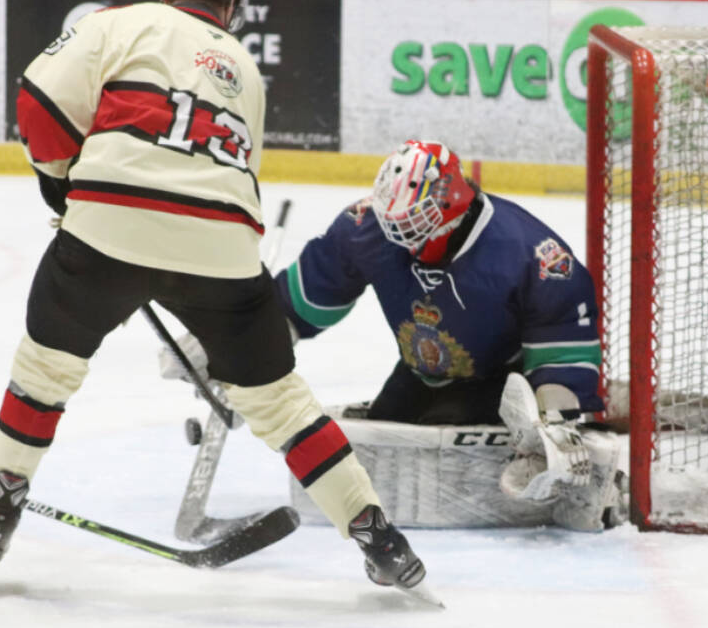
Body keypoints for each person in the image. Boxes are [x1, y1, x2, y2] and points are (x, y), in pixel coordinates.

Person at [0, 0, 428, 593]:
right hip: (223, 248)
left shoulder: (116, 23)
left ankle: (2, 500)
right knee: (281, 404)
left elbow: (39, 100)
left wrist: (61, 181)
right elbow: (235, 179)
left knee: (45, 369)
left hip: (108, 225)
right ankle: (377, 534)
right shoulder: (244, 68)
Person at [162, 139, 624, 530]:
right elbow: (302, 302)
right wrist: (234, 338)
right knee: (380, 449)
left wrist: (558, 421)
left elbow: (564, 334)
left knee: (480, 458)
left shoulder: (530, 252)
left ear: (451, 209)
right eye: (393, 221)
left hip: (503, 382)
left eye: (412, 223)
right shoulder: (369, 228)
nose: (397, 234)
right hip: (421, 371)